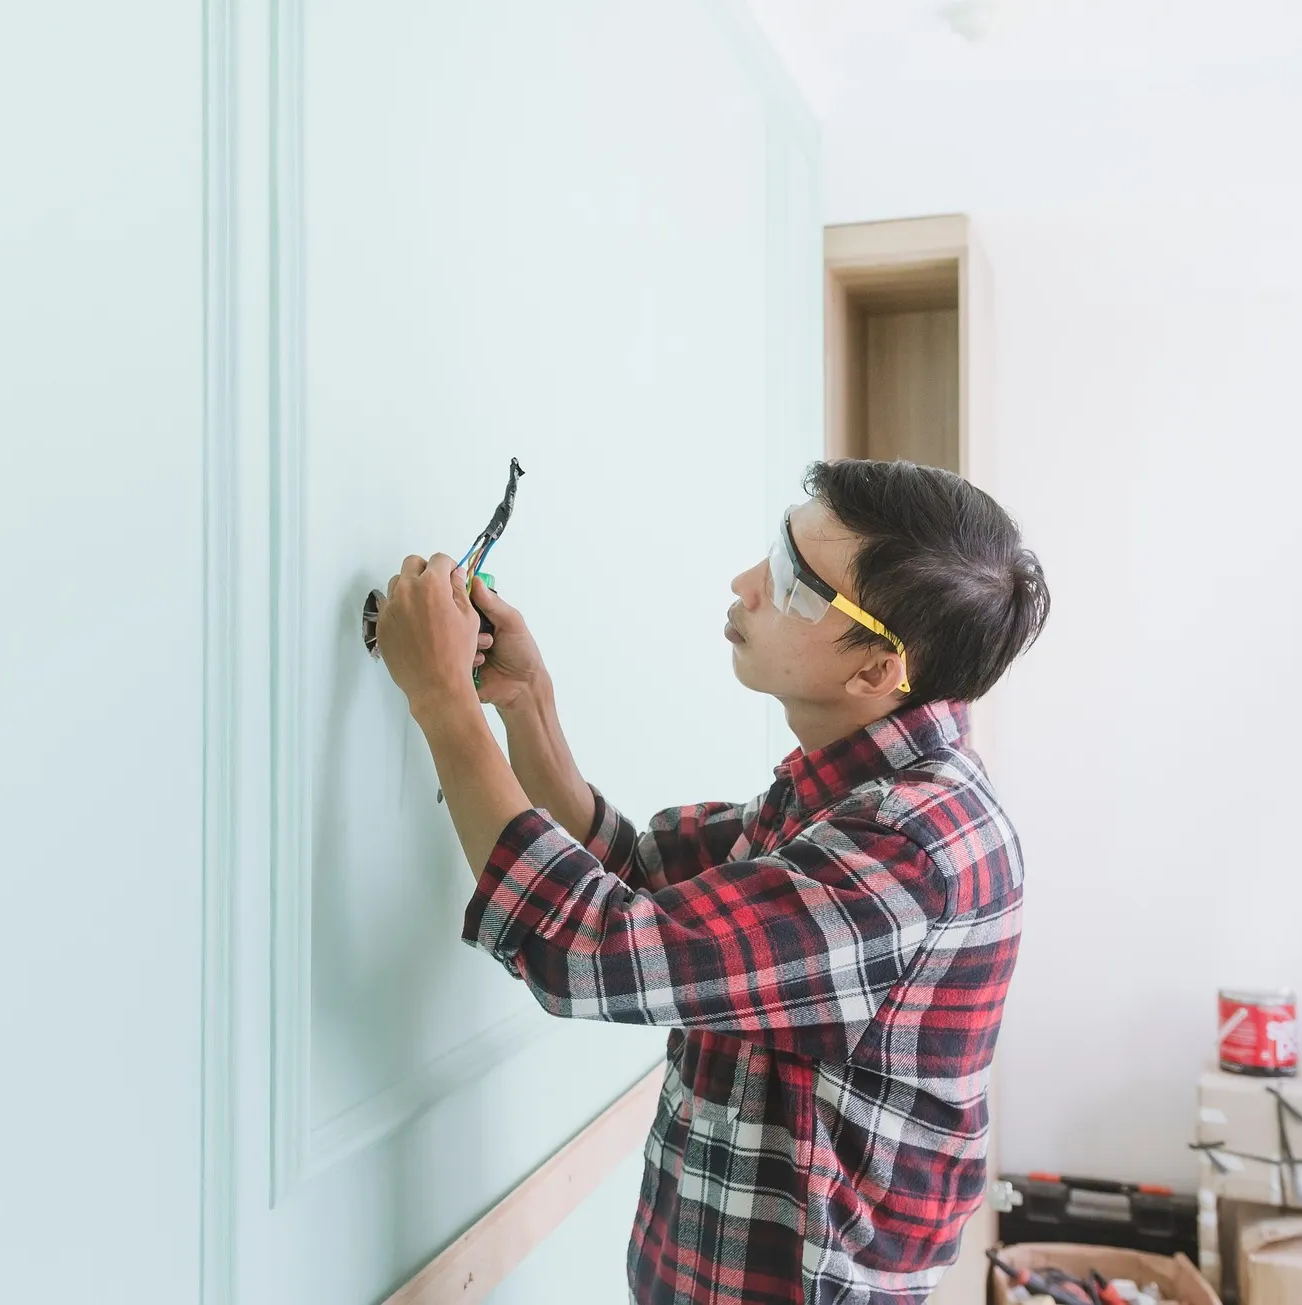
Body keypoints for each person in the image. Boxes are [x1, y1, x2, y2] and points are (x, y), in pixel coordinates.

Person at [371, 458, 1051, 1305]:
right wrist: (525, 703)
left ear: (878, 671)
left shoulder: (909, 848)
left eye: (797, 586)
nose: (748, 584)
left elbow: (591, 949)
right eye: (779, 549)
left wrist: (442, 699)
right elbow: (640, 879)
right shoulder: (858, 787)